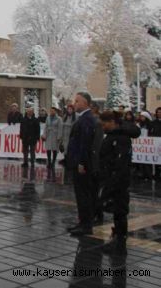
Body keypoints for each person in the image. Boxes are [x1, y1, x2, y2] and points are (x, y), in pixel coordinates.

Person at [98, 110, 140, 256]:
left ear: (112, 122)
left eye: (104, 124)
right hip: (113, 178)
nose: (102, 127)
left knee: (120, 211)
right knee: (117, 211)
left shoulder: (120, 138)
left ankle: (120, 243)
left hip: (118, 180)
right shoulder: (113, 135)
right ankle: (117, 239)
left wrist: (112, 183)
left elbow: (120, 163)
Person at [66, 92, 97, 237]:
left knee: (84, 195)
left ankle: (86, 225)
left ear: (85, 102)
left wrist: (81, 163)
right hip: (78, 162)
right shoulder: (83, 118)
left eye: (77, 101)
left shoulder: (87, 119)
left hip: (82, 164)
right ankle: (82, 222)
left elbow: (85, 144)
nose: (74, 103)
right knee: (80, 195)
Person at [20, 107, 40, 180]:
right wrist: (21, 136)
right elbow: (21, 128)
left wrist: (37, 137)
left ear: (32, 112)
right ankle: (25, 162)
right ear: (26, 112)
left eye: (30, 111)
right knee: (25, 151)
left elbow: (38, 129)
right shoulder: (23, 119)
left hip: (33, 138)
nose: (29, 112)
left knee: (32, 151)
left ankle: (32, 163)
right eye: (28, 111)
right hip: (25, 138)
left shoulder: (35, 120)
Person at [43, 107, 62, 182]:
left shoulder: (59, 119)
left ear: (55, 111)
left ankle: (53, 162)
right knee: (48, 149)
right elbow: (45, 126)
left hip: (55, 135)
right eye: (50, 111)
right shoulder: (48, 118)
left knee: (54, 149)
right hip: (49, 135)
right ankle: (49, 161)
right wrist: (44, 134)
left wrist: (59, 136)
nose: (51, 112)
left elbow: (60, 128)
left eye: (53, 111)